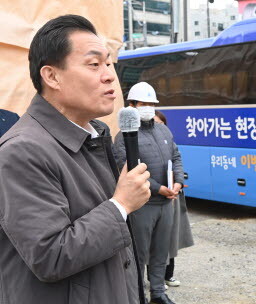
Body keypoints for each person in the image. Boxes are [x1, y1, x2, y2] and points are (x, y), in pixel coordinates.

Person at [0, 15, 151, 304]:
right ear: (52, 76)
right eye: (94, 65)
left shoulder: (96, 135)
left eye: (108, 64)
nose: (109, 75)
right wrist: (121, 205)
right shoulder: (22, 151)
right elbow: (50, 256)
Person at [114, 82, 184, 304]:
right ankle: (138, 296)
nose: (148, 108)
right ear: (131, 105)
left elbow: (176, 157)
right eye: (143, 104)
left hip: (166, 203)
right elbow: (127, 168)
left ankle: (158, 292)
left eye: (151, 104)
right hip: (142, 205)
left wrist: (178, 183)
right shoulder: (124, 137)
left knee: (161, 252)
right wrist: (157, 188)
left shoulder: (163, 130)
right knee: (139, 254)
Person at [150, 110, 194, 289]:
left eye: (160, 124)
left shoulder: (169, 143)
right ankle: (155, 279)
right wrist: (157, 188)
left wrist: (179, 182)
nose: (157, 127)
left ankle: (168, 275)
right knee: (154, 241)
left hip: (172, 196)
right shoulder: (140, 142)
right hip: (153, 198)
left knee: (170, 237)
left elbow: (177, 162)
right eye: (154, 123)